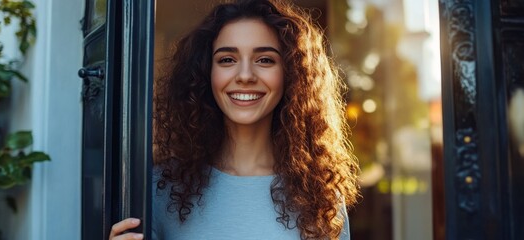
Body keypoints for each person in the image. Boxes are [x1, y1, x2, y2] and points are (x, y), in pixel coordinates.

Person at [110, 0, 359, 239]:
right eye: (227, 59)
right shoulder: (159, 190)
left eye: (265, 60)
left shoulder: (320, 197)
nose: (245, 75)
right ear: (207, 73)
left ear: (290, 74)